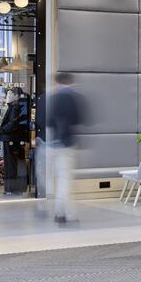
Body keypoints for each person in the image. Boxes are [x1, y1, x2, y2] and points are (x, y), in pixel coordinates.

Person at [45, 72, 85, 224]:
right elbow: (79, 119)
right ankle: (65, 213)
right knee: (65, 180)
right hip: (67, 144)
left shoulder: (52, 97)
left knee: (60, 180)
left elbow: (48, 122)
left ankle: (60, 212)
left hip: (53, 144)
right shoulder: (73, 97)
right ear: (70, 81)